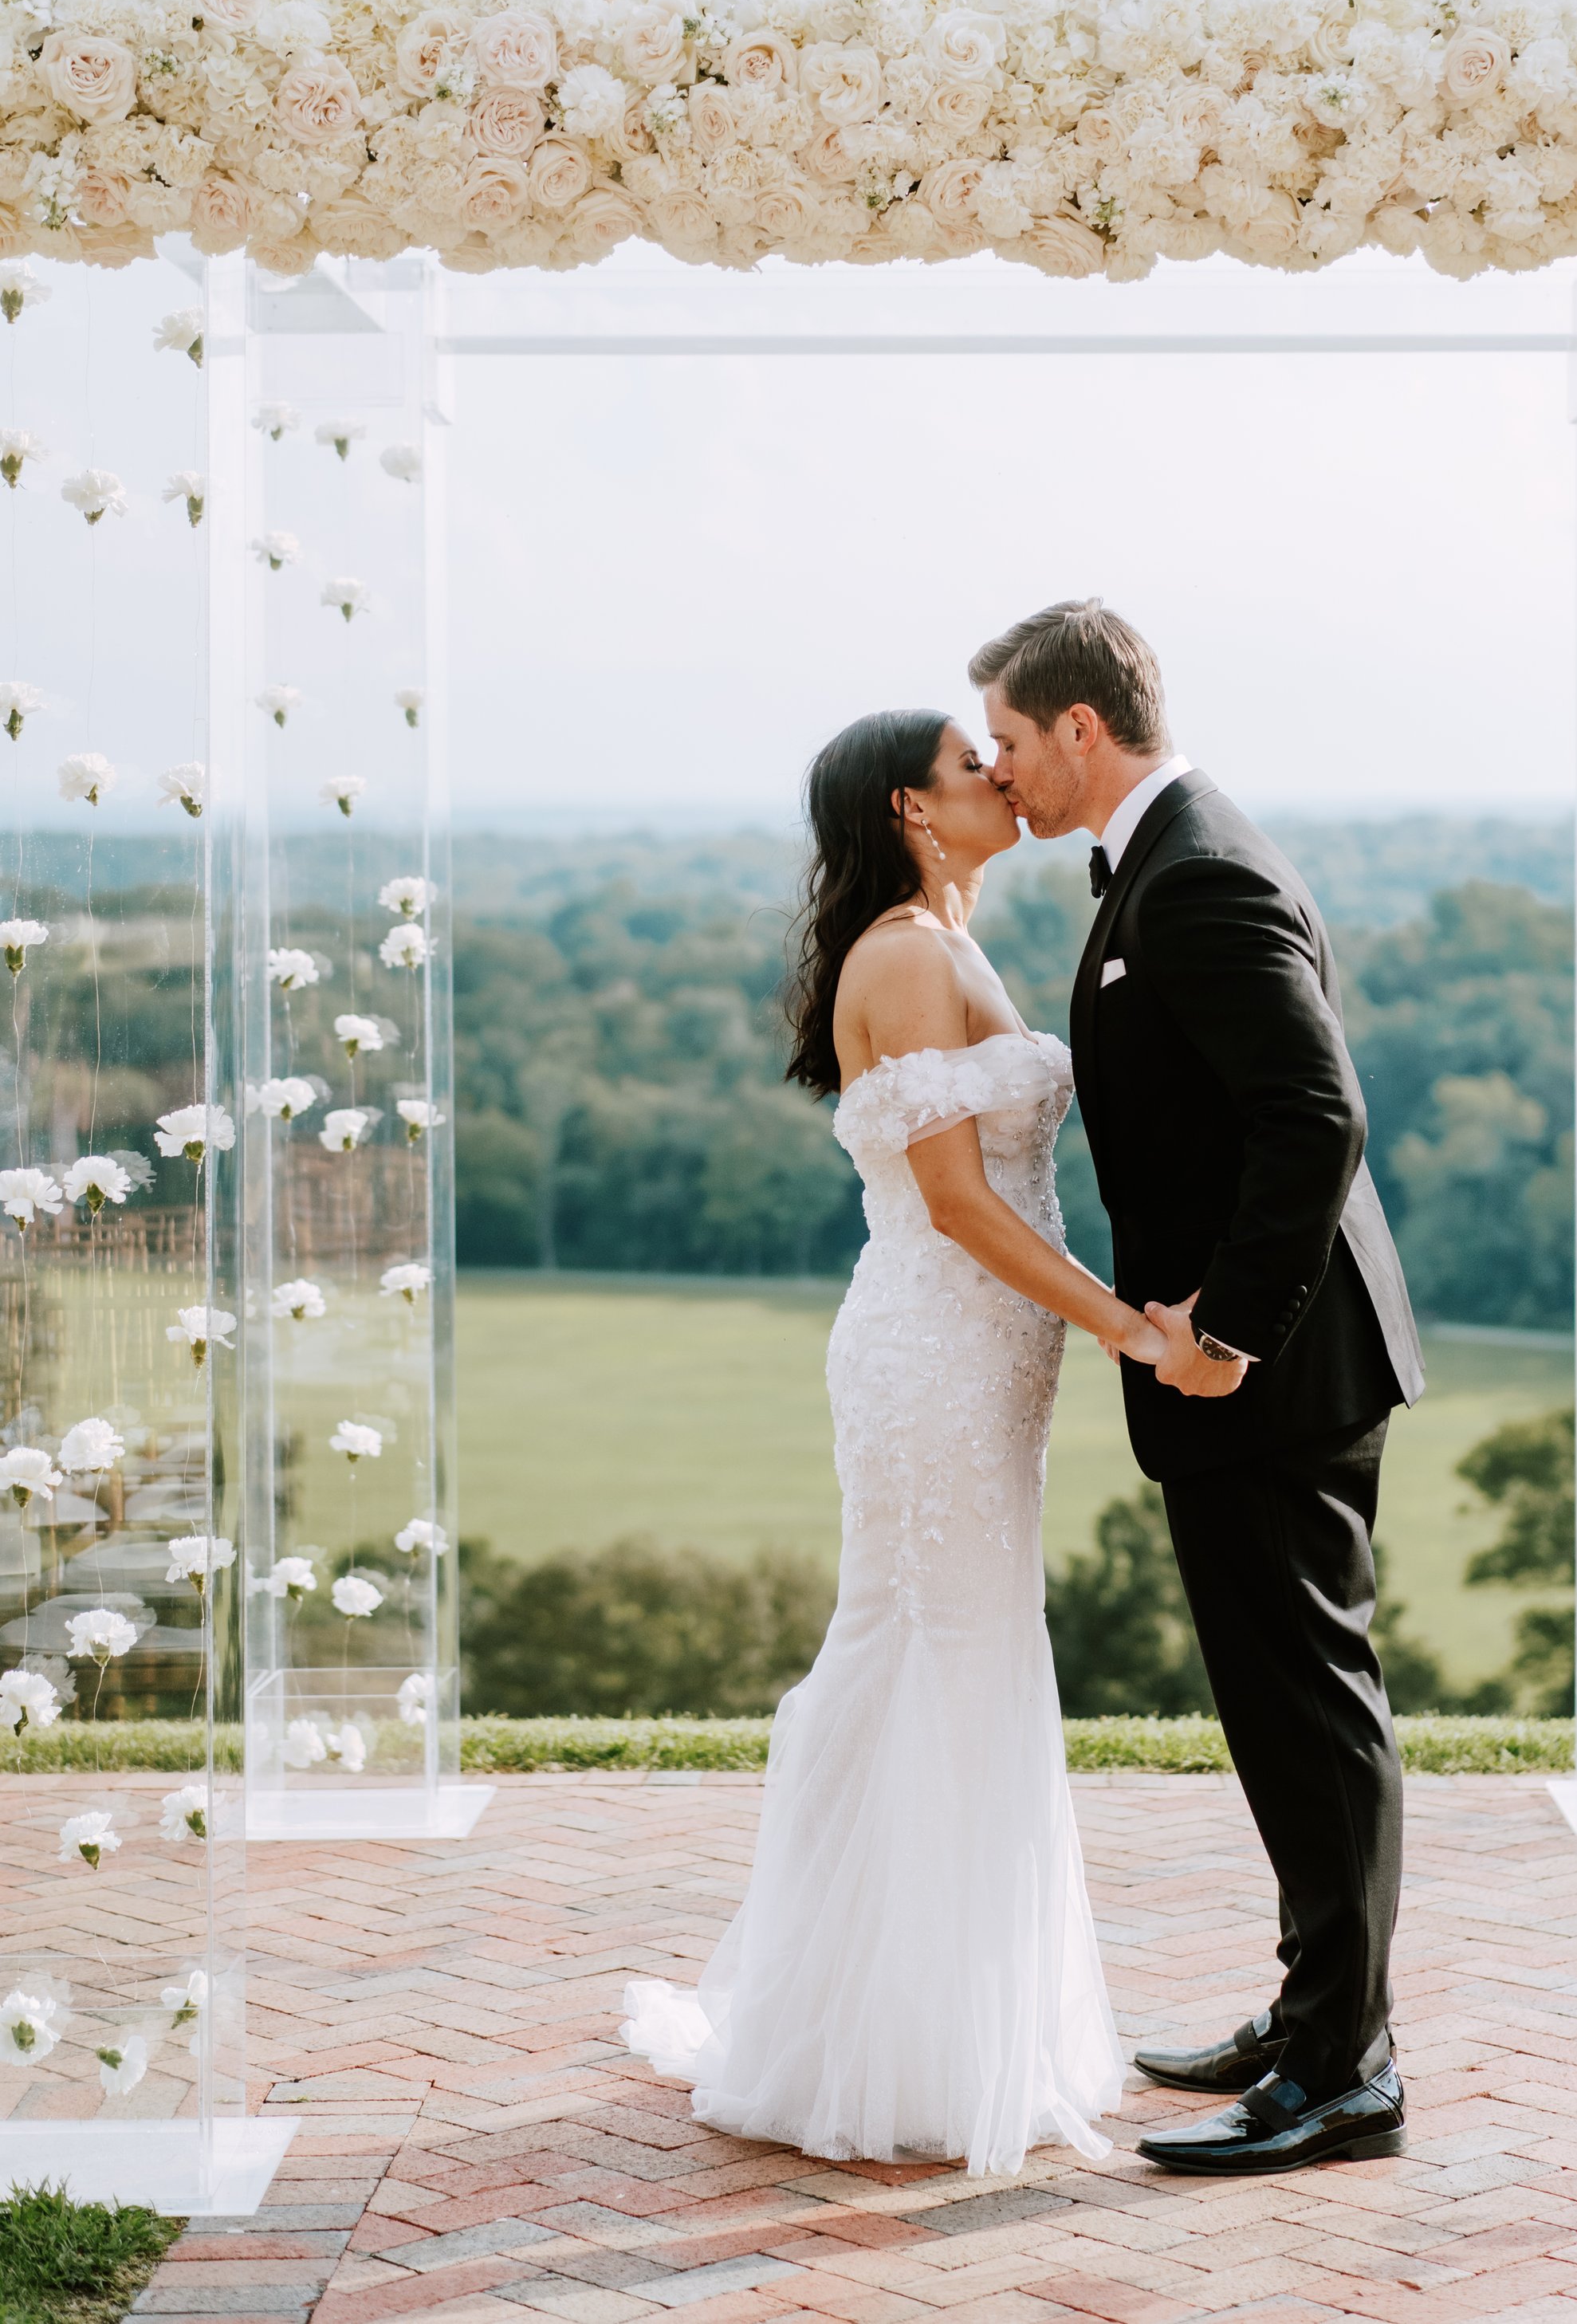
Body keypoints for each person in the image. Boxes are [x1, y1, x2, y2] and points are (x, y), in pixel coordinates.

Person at [621, 707, 1142, 2174]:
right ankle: (902, 2048)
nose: (1001, 772)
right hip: (934, 1355)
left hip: (980, 1359)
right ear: (913, 807)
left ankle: (916, 2016)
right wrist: (1125, 1323)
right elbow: (963, 1203)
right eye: (973, 763)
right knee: (940, 1647)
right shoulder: (908, 955)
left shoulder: (947, 932)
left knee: (952, 1645)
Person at [973, 600, 1426, 2179]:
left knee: (1307, 1708)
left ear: (1080, 729)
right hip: (1251, 1366)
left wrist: (1224, 1335)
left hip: (1274, 1370)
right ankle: (1314, 2013)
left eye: (1014, 741)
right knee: (1274, 1703)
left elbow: (1313, 1118)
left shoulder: (1202, 871)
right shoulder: (1169, 859)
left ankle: (1342, 2076)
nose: (1003, 770)